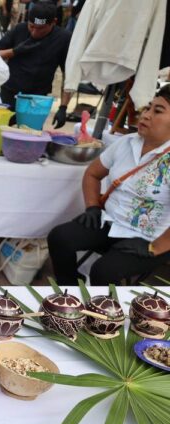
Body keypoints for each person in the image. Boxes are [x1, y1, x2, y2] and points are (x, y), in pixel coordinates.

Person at [47, 86, 170, 285]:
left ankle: (103, 313)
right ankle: (70, 293)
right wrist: (93, 207)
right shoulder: (127, 142)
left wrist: (155, 248)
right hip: (111, 222)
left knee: (103, 272)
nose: (145, 115)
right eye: (148, 108)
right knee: (60, 238)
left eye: (157, 111)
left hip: (149, 238)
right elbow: (93, 174)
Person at [0, 1, 71, 125]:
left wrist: (63, 107)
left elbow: (68, 74)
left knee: (28, 137)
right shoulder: (20, 29)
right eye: (31, 26)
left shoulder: (63, 38)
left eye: (40, 28)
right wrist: (14, 51)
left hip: (37, 99)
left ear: (53, 22)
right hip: (9, 92)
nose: (34, 32)